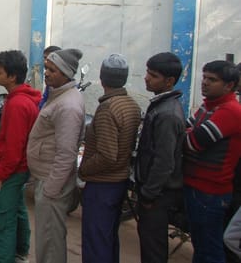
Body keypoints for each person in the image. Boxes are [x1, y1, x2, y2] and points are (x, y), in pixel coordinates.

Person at [78, 54, 141, 263]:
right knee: (107, 238)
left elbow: (106, 155)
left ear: (102, 78)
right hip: (118, 182)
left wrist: (83, 170)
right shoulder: (131, 105)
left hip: (102, 185)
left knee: (96, 241)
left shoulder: (108, 109)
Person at [26, 48, 85, 263]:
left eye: (52, 70)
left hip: (52, 181)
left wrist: (51, 189)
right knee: (47, 237)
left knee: (50, 239)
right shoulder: (58, 95)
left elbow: (66, 154)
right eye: (47, 68)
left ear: (66, 73)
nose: (47, 73)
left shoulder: (68, 106)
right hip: (46, 177)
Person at [184, 60, 241, 262]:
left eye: (212, 79)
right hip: (196, 188)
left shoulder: (230, 111)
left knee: (209, 250)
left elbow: (191, 142)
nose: (205, 82)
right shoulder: (208, 106)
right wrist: (189, 133)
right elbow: (183, 130)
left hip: (210, 192)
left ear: (229, 85)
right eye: (204, 77)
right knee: (201, 246)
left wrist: (189, 134)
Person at [0, 50, 41, 263]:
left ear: (12, 77)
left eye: (0, 72)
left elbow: (14, 146)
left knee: (1, 217)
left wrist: (2, 174)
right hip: (19, 168)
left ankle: (5, 258)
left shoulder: (18, 104)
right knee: (17, 209)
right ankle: (20, 251)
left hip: (12, 169)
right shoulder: (21, 99)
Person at [134, 52, 186, 263]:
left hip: (158, 196)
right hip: (155, 192)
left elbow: (164, 161)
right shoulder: (161, 105)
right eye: (148, 72)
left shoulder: (167, 114)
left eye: (153, 75)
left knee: (153, 249)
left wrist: (149, 194)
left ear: (169, 81)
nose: (146, 78)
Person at [38, 45, 61, 110]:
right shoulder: (50, 83)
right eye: (44, 58)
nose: (45, 61)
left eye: (47, 58)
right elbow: (44, 100)